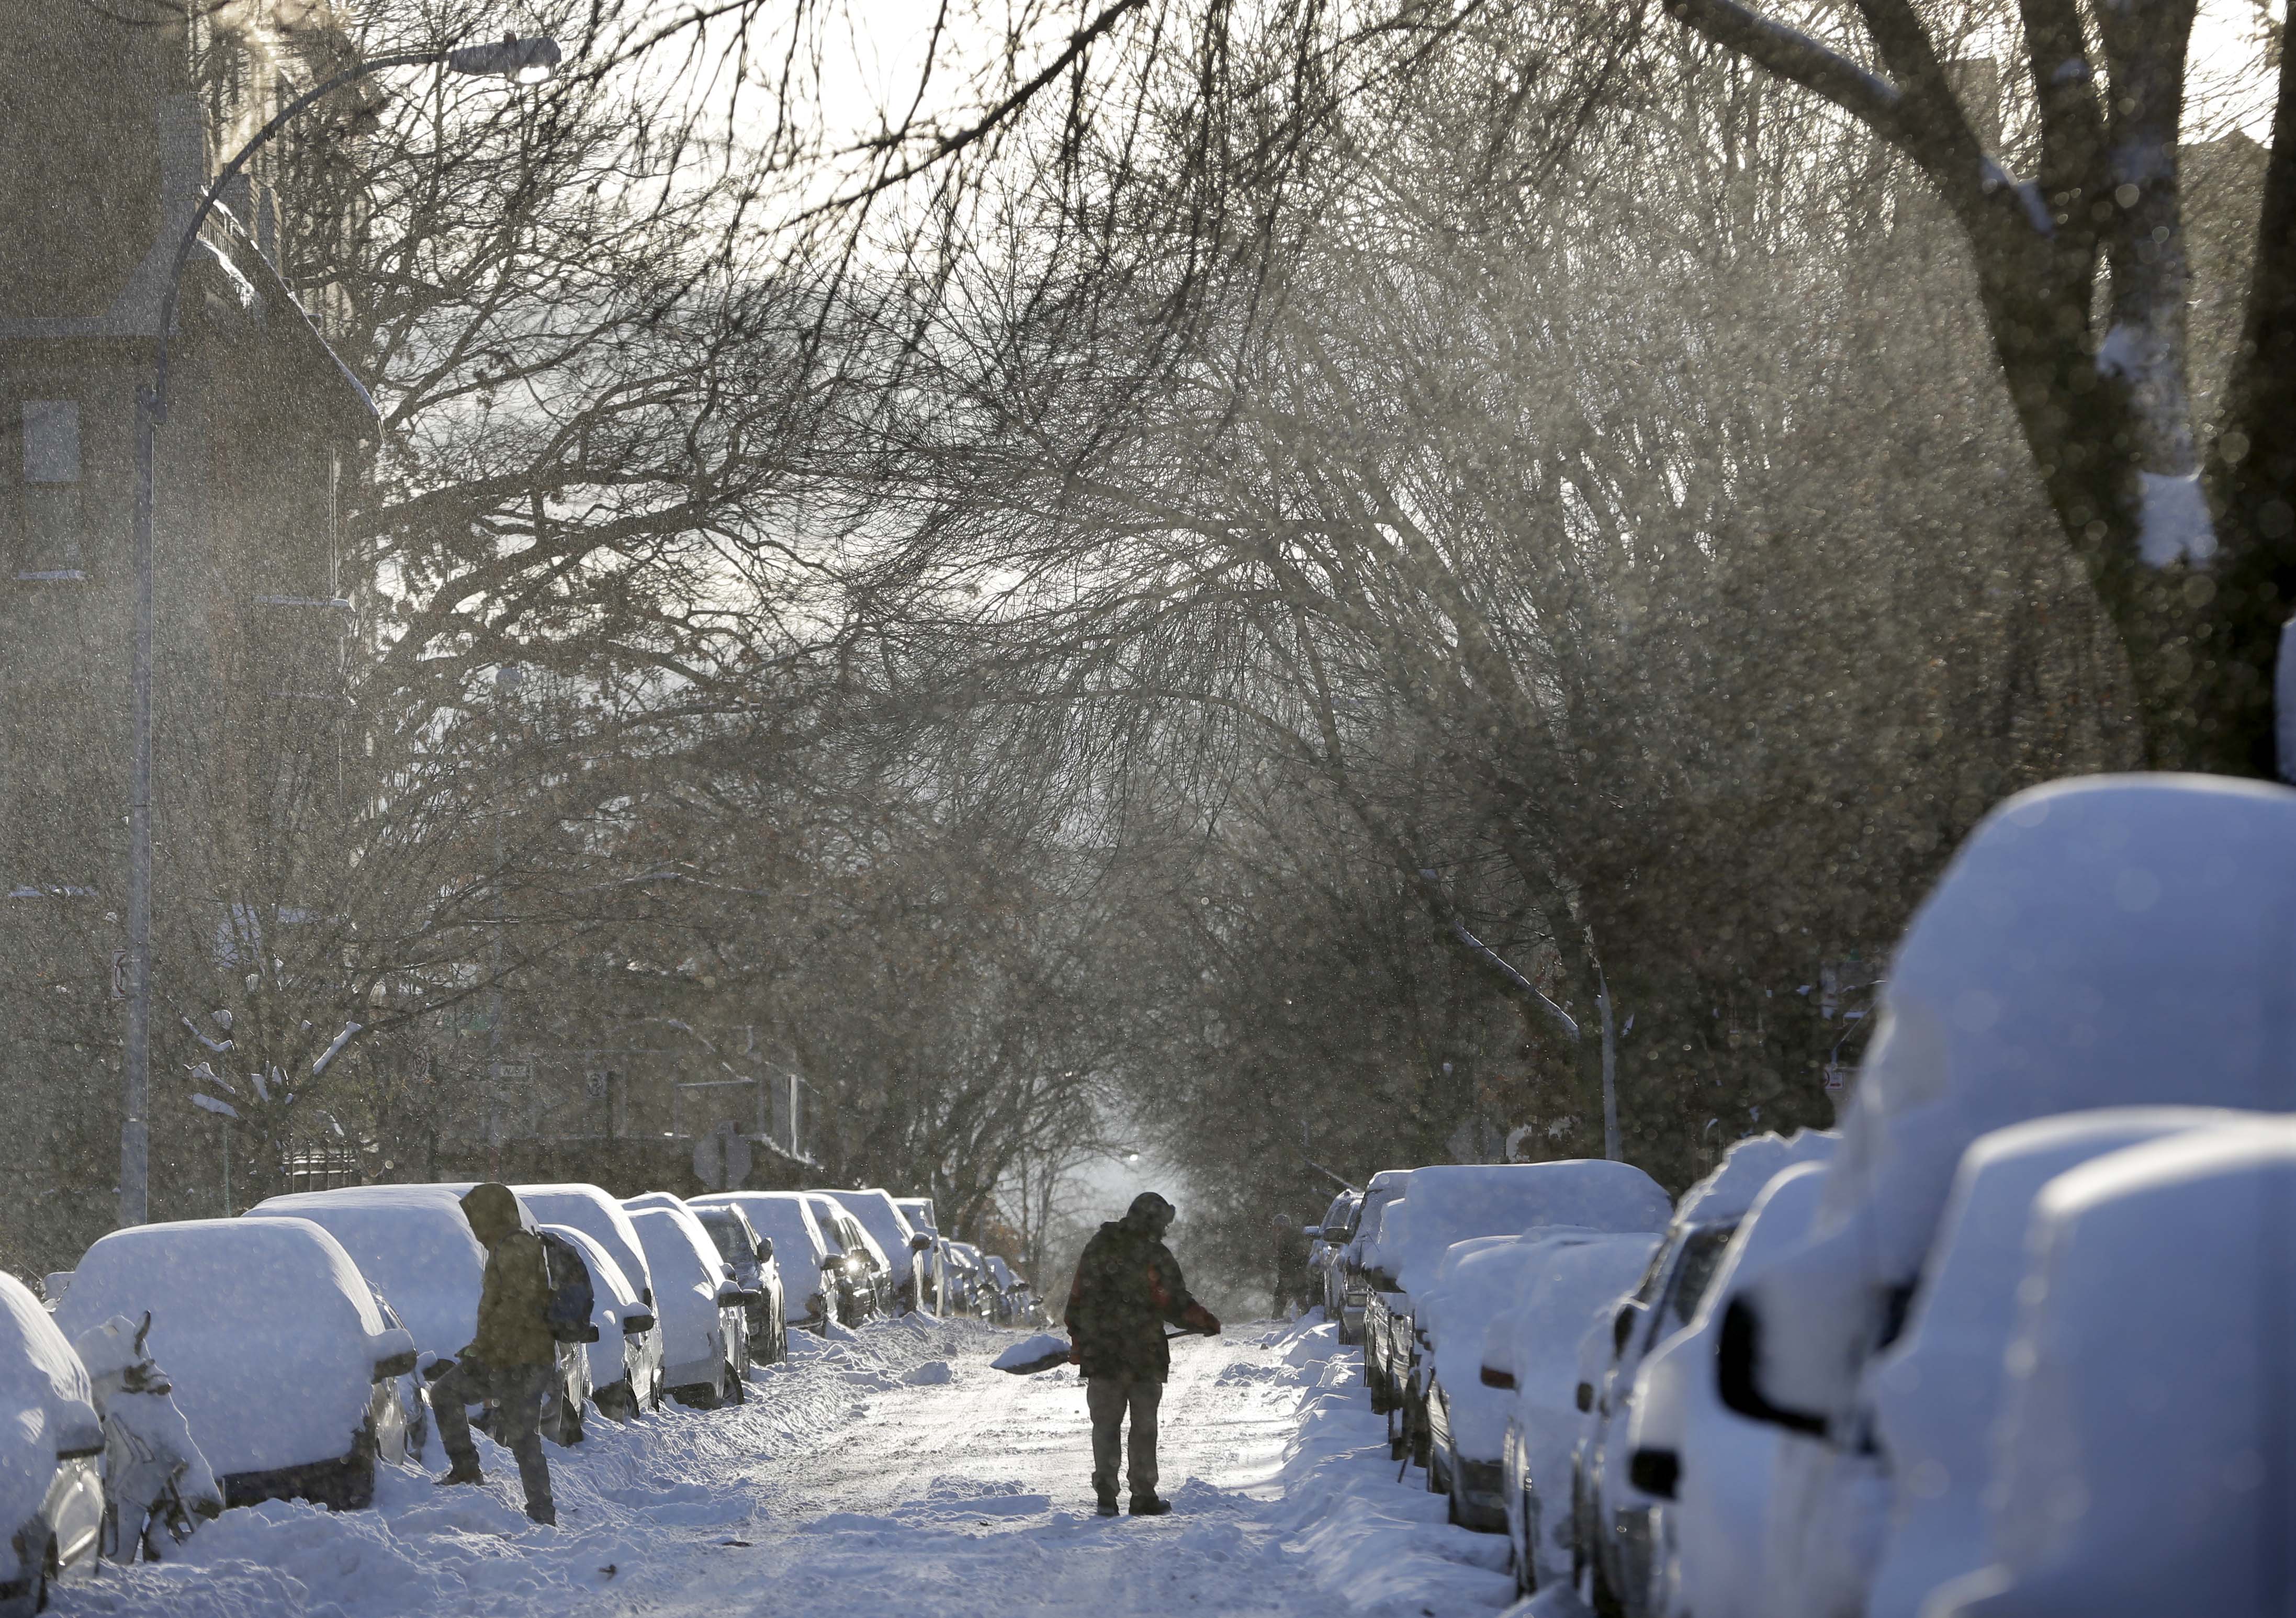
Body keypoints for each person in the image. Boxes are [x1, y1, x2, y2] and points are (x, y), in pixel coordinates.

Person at [1064, 1190, 1220, 1518]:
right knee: (1144, 1426)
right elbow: (1173, 1302)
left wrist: (1080, 1339)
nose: (1165, 1230)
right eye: (1163, 1223)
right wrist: (1203, 1320)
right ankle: (1143, 1494)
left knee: (1105, 1425)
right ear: (1155, 1222)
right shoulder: (1154, 1256)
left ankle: (1106, 1493)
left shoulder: (1098, 1248)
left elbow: (1077, 1298)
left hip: (1102, 1354)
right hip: (1143, 1355)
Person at [431, 1182, 557, 1524]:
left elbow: (516, 1310)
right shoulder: (506, 1246)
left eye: (476, 1218)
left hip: (521, 1361)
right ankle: (467, 1469)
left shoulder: (516, 1248)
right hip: (504, 1357)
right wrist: (481, 1347)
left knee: (522, 1436)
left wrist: (483, 1349)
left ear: (492, 1215)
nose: (473, 1226)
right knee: (446, 1393)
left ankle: (542, 1513)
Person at [1270, 1212, 1310, 1317]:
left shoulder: (1291, 1240)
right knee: (1284, 1297)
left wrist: (1292, 1274)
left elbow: (1298, 1258)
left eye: (1280, 1228)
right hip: (1288, 1274)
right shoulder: (1280, 1239)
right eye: (1275, 1228)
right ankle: (1277, 1318)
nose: (1277, 1230)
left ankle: (1308, 1319)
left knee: (1298, 1296)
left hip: (1295, 1274)